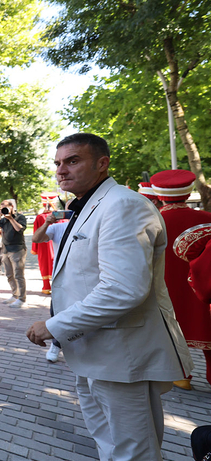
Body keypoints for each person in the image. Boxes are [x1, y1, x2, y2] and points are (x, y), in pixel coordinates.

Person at [26, 133, 193, 461]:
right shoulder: (92, 204)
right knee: (110, 446)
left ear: (102, 164)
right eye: (57, 163)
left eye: (72, 161)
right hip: (95, 353)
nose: (61, 170)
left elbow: (123, 289)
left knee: (134, 452)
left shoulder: (123, 204)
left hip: (122, 357)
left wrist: (55, 326)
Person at [151, 169, 211, 391]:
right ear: (189, 193)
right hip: (205, 290)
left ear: (158, 194)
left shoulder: (151, 222)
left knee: (171, 333)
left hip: (166, 289)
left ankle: (182, 376)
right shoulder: (208, 219)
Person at [31, 200, 71, 364]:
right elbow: (36, 238)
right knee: (57, 312)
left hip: (86, 279)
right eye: (69, 208)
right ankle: (56, 345)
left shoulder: (94, 224)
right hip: (61, 279)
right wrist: (48, 221)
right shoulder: (58, 227)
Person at [0, 199, 27, 308]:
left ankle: (22, 299)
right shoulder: (3, 219)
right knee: (9, 275)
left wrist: (11, 218)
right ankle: (15, 295)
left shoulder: (20, 217)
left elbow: (19, 229)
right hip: (5, 249)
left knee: (18, 275)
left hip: (17, 249)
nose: (3, 208)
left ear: (12, 207)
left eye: (5, 206)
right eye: (1, 206)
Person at [31, 192, 59, 295]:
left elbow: (35, 232)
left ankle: (46, 286)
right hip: (56, 243)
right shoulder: (60, 216)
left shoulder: (40, 217)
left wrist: (35, 248)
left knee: (44, 264)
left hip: (43, 245)